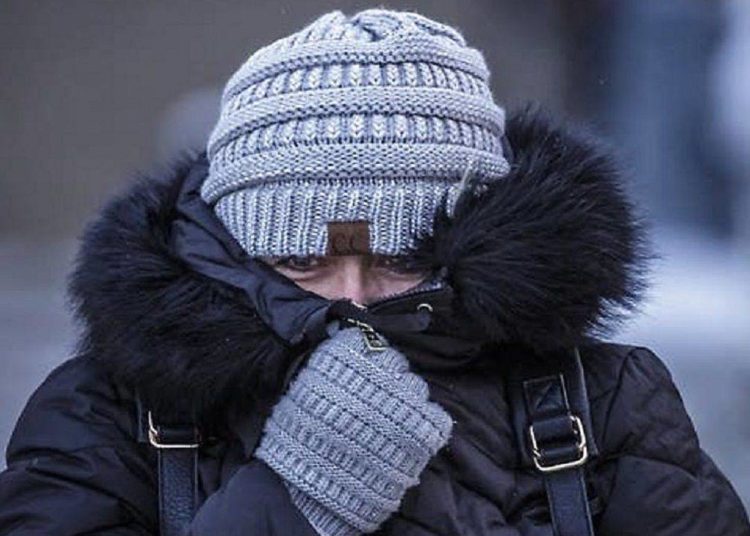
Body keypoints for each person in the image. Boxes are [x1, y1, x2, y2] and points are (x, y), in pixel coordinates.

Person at [0, 7, 748, 536]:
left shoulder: (601, 402)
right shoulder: (111, 415)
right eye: (301, 260)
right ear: (233, 249)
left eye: (400, 259)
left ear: (481, 240)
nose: (353, 301)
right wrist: (291, 499)